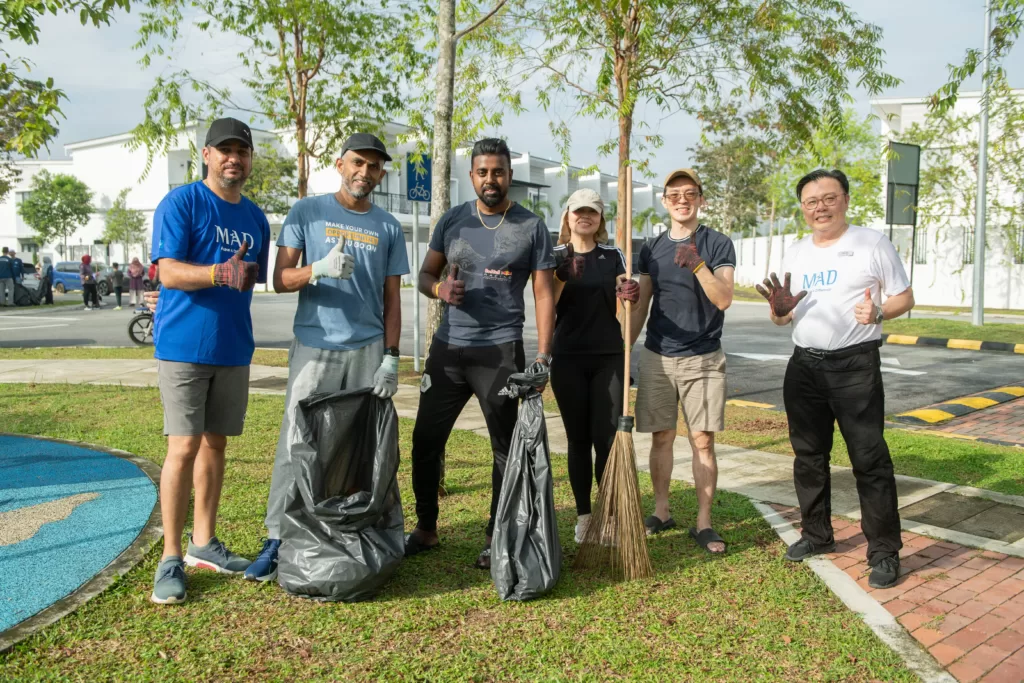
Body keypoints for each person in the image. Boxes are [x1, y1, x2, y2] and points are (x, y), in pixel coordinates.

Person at [243, 133, 409, 582]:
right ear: (339, 164)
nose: (365, 172)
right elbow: (280, 279)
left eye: (374, 166)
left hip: (368, 348)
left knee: (360, 445)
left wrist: (391, 358)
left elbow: (392, 299)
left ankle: (352, 530)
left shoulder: (388, 226)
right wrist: (317, 269)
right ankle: (277, 537)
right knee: (296, 442)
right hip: (316, 347)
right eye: (358, 162)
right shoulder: (307, 212)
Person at [757, 169, 914, 589]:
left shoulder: (870, 243)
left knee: (869, 460)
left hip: (855, 368)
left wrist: (879, 313)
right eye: (811, 202)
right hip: (804, 366)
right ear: (803, 208)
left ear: (845, 200)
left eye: (828, 198)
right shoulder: (796, 251)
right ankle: (816, 535)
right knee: (808, 457)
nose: (819, 208)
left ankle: (883, 552)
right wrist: (778, 310)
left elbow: (903, 296)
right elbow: (782, 316)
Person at [404, 137, 557, 569]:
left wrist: (544, 356)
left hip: (500, 352)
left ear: (510, 175)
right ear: (471, 175)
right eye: (483, 171)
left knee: (504, 450)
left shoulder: (530, 226)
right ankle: (426, 528)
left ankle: (497, 534)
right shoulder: (452, 220)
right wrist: (439, 290)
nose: (491, 179)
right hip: (448, 349)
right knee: (425, 441)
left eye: (499, 171)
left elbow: (544, 295)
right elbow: (424, 274)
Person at [148, 117, 270, 605]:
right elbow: (169, 272)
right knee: (182, 447)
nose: (233, 158)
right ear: (206, 154)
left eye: (242, 150)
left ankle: (205, 543)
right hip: (183, 346)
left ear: (250, 159)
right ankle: (171, 557)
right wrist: (218, 272)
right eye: (224, 150)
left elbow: (251, 279)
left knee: (215, 445)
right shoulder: (182, 203)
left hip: (233, 347)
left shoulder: (256, 217)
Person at [630, 168, 735, 554]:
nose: (682, 199)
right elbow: (641, 307)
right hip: (658, 356)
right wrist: (626, 329)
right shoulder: (651, 247)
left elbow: (723, 298)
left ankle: (704, 522)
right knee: (661, 437)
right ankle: (661, 511)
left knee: (702, 441)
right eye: (674, 194)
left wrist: (697, 264)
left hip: (704, 357)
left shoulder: (718, 243)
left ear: (701, 199)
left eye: (690, 193)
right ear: (663, 200)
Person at [548, 189, 638, 542]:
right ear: (567, 216)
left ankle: (609, 515)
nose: (584, 216)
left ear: (600, 219)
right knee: (578, 440)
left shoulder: (611, 254)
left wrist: (630, 292)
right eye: (578, 211)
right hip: (568, 358)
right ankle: (584, 516)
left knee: (606, 439)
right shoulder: (556, 255)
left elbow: (623, 290)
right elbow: (546, 302)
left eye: (592, 212)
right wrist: (560, 276)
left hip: (608, 358)